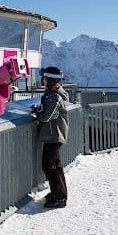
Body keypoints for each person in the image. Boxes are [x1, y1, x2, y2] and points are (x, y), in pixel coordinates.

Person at [31, 66, 69, 208]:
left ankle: (59, 197)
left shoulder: (54, 96)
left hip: (53, 135)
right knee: (55, 166)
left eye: (44, 78)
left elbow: (47, 117)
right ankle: (58, 193)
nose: (42, 80)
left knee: (49, 167)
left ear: (50, 80)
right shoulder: (55, 92)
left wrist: (37, 114)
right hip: (55, 134)